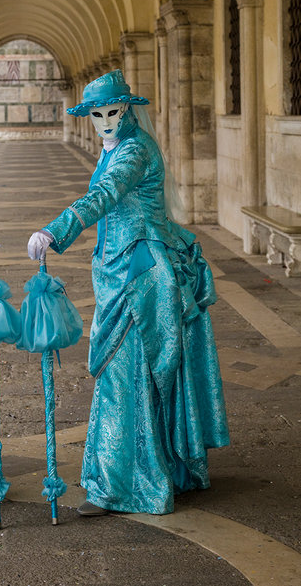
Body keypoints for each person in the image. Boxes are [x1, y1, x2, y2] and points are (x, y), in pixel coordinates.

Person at [28, 70, 229, 516]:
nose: (105, 121)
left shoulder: (134, 150)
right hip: (118, 271)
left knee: (127, 372)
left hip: (142, 277)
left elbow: (105, 194)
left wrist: (55, 230)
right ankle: (148, 469)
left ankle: (125, 484)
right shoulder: (114, 147)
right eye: (96, 114)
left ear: (127, 109)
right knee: (128, 371)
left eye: (112, 112)